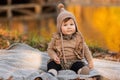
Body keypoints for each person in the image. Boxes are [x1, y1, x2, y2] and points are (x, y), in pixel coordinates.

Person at [36, 3, 94, 80]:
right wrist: (54, 56)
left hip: (74, 61)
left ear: (75, 25)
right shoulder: (56, 38)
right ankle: (52, 72)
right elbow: (50, 49)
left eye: (71, 24)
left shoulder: (78, 38)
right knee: (51, 64)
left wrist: (90, 61)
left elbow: (86, 50)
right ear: (59, 27)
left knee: (80, 64)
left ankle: (81, 71)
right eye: (65, 25)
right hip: (59, 61)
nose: (69, 27)